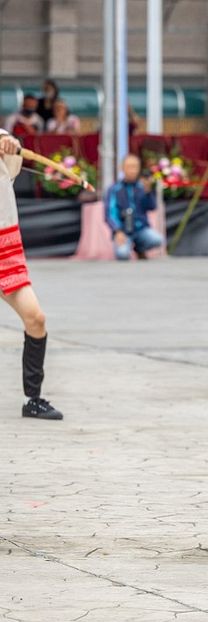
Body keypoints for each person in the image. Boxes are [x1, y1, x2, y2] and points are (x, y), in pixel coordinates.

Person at [1, 129, 63, 420]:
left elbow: (11, 152)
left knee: (35, 318)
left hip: (4, 245)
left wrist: (11, 144)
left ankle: (32, 399)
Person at [105, 155, 164, 260]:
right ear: (122, 168)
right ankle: (126, 247)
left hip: (140, 229)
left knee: (158, 240)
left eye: (135, 167)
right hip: (123, 230)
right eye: (129, 167)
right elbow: (110, 213)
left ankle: (140, 248)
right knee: (122, 254)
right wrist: (117, 230)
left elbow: (152, 207)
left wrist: (148, 192)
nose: (132, 170)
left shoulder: (142, 186)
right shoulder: (114, 189)